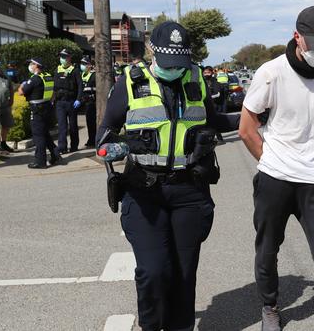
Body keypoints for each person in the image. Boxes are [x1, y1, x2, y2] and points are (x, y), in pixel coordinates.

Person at [96, 21, 239, 331]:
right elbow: (104, 135)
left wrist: (256, 115)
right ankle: (151, 325)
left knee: (184, 274)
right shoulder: (129, 83)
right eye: (169, 62)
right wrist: (115, 148)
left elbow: (217, 120)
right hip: (144, 190)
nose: (176, 69)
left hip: (190, 189)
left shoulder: (196, 79)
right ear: (152, 52)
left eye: (181, 63)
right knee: (153, 271)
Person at [239, 6, 314, 331]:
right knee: (267, 250)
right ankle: (270, 308)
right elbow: (247, 129)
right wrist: (271, 161)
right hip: (275, 178)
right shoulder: (271, 73)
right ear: (297, 38)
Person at [18, 58, 61, 169]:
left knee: (38, 136)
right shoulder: (47, 76)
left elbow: (21, 92)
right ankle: (55, 154)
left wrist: (22, 85)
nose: (30, 66)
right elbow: (53, 94)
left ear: (36, 66)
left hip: (37, 109)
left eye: (31, 64)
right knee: (45, 133)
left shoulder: (35, 79)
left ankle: (40, 161)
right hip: (47, 107)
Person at [54, 49, 83, 153]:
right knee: (62, 126)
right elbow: (54, 86)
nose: (62, 59)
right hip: (60, 102)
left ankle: (74, 146)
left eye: (64, 57)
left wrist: (78, 99)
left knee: (73, 125)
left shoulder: (74, 70)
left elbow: (80, 85)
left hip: (71, 101)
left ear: (69, 58)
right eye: (61, 57)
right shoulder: (57, 69)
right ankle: (62, 147)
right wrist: (52, 99)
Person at [203, 66, 225, 142]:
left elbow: (218, 94)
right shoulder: (203, 82)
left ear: (212, 73)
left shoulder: (215, 82)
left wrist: (208, 97)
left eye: (208, 72)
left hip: (214, 106)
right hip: (204, 105)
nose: (206, 74)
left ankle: (218, 138)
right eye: (205, 73)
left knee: (212, 123)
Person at [80, 56, 96, 148]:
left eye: (85, 64)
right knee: (89, 123)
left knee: (92, 122)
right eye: (82, 64)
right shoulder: (82, 75)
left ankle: (93, 140)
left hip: (92, 102)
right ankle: (91, 139)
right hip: (85, 103)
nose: (82, 66)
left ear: (90, 65)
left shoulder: (94, 75)